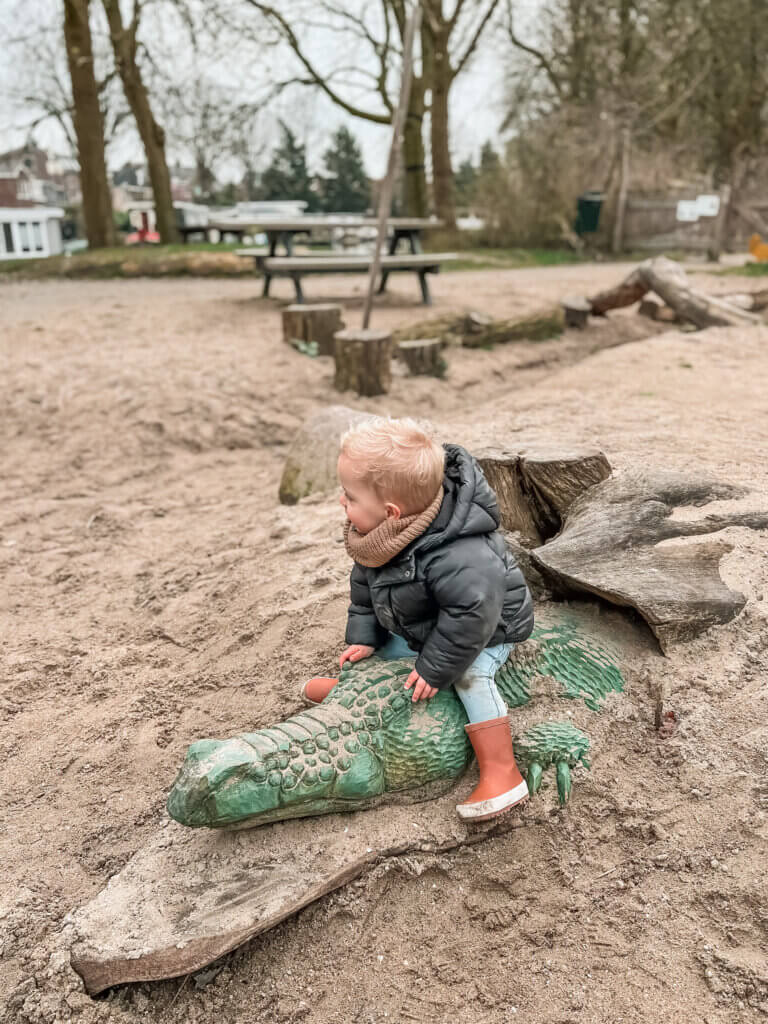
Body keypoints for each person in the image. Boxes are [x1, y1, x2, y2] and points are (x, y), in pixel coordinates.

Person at [302, 417, 534, 821]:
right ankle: (353, 698)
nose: (342, 503)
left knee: (469, 679)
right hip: (426, 619)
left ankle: (503, 771)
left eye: (350, 496)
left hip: (487, 630)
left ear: (391, 512)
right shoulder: (383, 534)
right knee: (381, 652)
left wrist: (433, 667)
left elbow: (471, 617)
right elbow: (365, 584)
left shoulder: (462, 556)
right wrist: (366, 634)